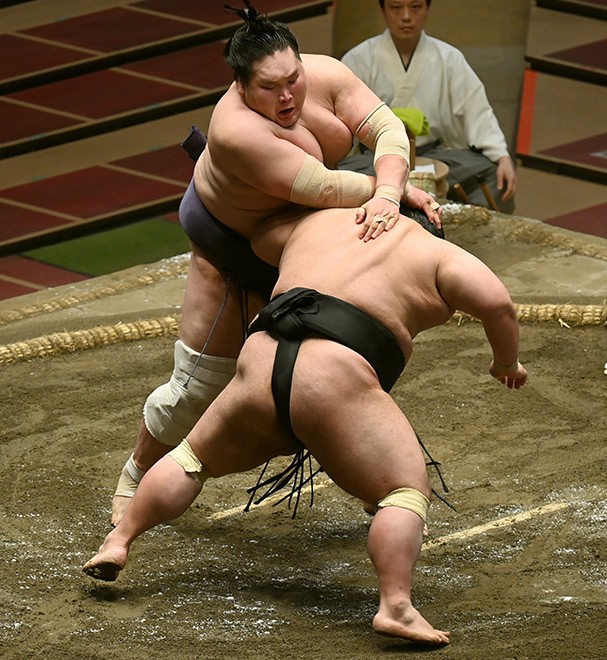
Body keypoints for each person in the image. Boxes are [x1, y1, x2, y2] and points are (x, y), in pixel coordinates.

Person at [83, 203, 528, 646]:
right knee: (405, 490)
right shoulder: (438, 253)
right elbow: (497, 304)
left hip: (261, 356)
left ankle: (119, 540)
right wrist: (505, 361)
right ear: (432, 224)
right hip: (334, 375)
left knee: (192, 456)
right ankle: (396, 606)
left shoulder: (317, 222)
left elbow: (259, 240)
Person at [110, 1, 443, 526]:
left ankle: (374, 469)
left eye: (294, 79)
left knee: (343, 358)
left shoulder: (325, 76)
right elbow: (324, 186)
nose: (288, 96)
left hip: (297, 235)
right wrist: (393, 193)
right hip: (234, 246)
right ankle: (137, 473)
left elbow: (388, 132)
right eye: (271, 87)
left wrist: (390, 188)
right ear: (241, 85)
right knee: (200, 385)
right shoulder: (235, 130)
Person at [340, 0, 517, 213]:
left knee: (491, 171)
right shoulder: (358, 58)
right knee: (337, 175)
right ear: (383, 10)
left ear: (428, 9)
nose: (406, 16)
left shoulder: (449, 58)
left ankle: (465, 226)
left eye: (415, 7)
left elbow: (476, 109)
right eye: (396, 8)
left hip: (434, 156)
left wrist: (502, 155)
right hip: (377, 157)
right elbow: (340, 116)